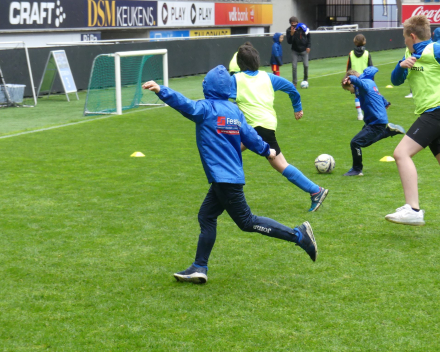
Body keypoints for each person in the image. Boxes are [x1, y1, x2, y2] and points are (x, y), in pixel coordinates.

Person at [142, 65, 318, 284]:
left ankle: (299, 236)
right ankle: (199, 267)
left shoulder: (205, 108)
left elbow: (184, 104)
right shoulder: (234, 111)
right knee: (206, 216)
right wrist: (267, 150)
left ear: (207, 86)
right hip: (226, 177)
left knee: (247, 222)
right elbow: (251, 136)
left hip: (224, 179)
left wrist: (161, 90)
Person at [230, 44, 328, 212]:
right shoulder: (268, 77)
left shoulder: (236, 80)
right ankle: (227, 197)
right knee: (231, 152)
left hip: (257, 127)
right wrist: (297, 107)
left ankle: (315, 191)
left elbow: (217, 95)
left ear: (239, 64)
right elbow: (291, 88)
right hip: (264, 125)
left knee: (279, 164)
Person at [385, 15, 440, 226]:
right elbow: (395, 81)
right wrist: (401, 66)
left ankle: (413, 209)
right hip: (430, 113)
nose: (404, 41)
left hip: (435, 112)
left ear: (413, 36)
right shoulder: (409, 53)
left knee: (401, 153)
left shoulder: (434, 50)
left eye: (405, 37)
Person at [341, 67, 405, 176]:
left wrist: (350, 78)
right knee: (363, 142)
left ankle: (357, 170)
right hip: (375, 121)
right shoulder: (370, 82)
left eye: (348, 90)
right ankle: (388, 131)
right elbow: (378, 95)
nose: (351, 93)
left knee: (355, 142)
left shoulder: (363, 85)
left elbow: (358, 82)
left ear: (351, 84)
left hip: (376, 122)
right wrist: (385, 103)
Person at [346, 34, 373, 121]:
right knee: (366, 96)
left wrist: (348, 78)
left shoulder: (351, 54)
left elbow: (348, 67)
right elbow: (371, 67)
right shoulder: (367, 53)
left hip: (354, 78)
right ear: (364, 41)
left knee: (357, 96)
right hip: (365, 78)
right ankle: (367, 113)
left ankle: (360, 114)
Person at [285, 16, 310, 87]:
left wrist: (308, 46)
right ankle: (294, 82)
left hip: (303, 49)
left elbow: (308, 36)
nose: (294, 24)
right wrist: (292, 34)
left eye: (295, 23)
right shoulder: (288, 30)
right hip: (295, 50)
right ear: (290, 23)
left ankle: (305, 79)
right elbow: (289, 42)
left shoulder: (302, 28)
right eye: (292, 23)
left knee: (306, 65)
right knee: (294, 66)